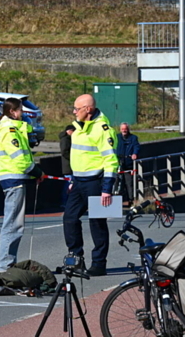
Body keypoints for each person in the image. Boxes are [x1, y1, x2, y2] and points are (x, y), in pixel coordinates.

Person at [62, 94, 119, 277]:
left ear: (88, 109)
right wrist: (72, 180)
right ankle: (76, 259)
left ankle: (99, 264)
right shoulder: (79, 128)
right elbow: (79, 157)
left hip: (97, 182)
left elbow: (111, 161)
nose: (74, 112)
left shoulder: (103, 130)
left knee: (97, 223)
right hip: (79, 182)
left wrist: (107, 189)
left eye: (77, 108)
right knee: (69, 219)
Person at [0, 97, 43, 274]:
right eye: (20, 110)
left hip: (14, 178)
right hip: (13, 180)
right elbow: (19, 159)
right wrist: (36, 172)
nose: (22, 113)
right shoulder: (10, 131)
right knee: (13, 224)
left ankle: (8, 263)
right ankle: (5, 266)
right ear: (12, 112)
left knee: (14, 223)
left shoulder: (12, 128)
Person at [115, 122, 140, 207]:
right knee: (117, 183)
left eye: (125, 129)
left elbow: (136, 146)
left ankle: (130, 200)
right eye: (122, 129)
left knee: (129, 183)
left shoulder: (133, 138)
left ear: (128, 129)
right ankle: (117, 200)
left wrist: (134, 153)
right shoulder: (117, 137)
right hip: (118, 163)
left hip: (128, 164)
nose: (124, 130)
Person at [58, 122, 75, 208]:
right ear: (69, 131)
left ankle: (67, 202)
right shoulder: (65, 140)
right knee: (68, 184)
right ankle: (64, 202)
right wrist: (72, 159)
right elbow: (64, 152)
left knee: (70, 184)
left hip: (69, 166)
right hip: (68, 166)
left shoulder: (67, 139)